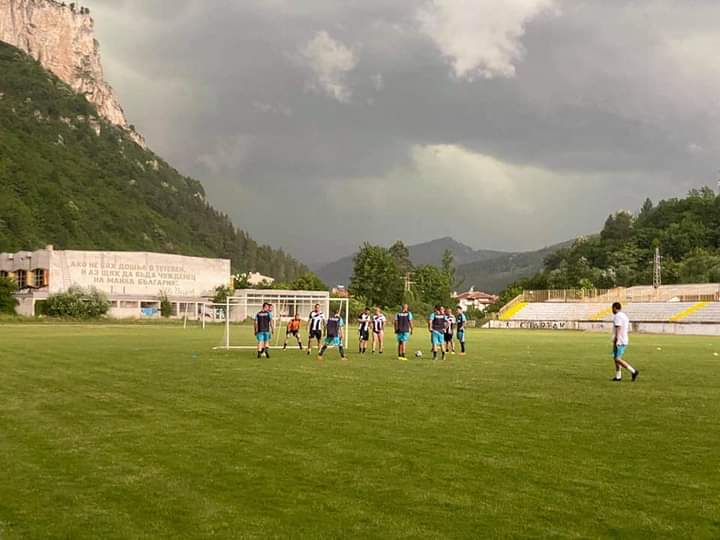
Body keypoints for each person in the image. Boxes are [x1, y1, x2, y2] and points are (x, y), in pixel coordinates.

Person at [611, 302, 639, 382]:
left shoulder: (618, 316)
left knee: (617, 359)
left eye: (612, 308)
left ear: (615, 308)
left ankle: (633, 371)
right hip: (623, 339)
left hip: (620, 340)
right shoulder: (624, 315)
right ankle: (618, 376)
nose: (612, 310)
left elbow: (618, 327)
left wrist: (616, 339)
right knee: (615, 358)